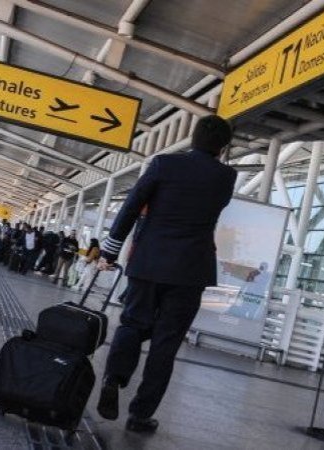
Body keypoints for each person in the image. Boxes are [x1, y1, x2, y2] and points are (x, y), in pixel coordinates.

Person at [95, 115, 236, 433]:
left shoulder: (163, 164)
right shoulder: (226, 176)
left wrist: (110, 251)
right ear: (223, 146)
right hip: (191, 270)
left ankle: (113, 379)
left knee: (133, 323)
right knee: (166, 343)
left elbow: (131, 207)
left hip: (149, 262)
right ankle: (140, 415)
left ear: (192, 137)